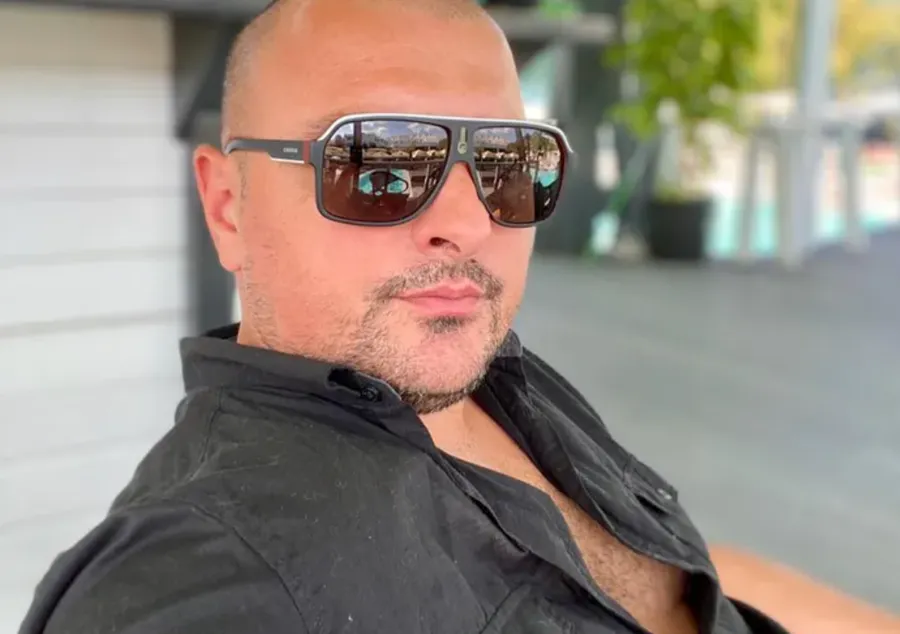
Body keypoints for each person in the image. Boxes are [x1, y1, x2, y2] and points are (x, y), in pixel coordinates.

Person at [18, 1, 900, 633]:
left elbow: (672, 577)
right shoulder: (203, 568)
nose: (471, 221)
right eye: (379, 166)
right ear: (228, 208)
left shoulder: (489, 372)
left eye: (507, 163)